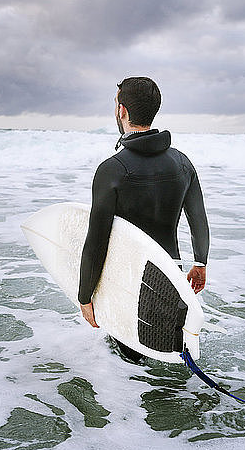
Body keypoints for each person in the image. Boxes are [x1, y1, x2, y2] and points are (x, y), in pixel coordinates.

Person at [78, 76, 209, 361]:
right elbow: (198, 217)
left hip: (128, 280)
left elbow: (96, 240)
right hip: (171, 277)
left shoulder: (112, 169)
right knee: (166, 357)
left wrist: (84, 295)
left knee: (129, 366)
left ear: (122, 111)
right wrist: (200, 263)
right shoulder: (182, 162)